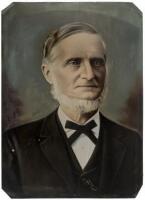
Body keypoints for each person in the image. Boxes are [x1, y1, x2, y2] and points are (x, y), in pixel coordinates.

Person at [2, 22, 142, 198]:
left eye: (97, 62)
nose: (90, 74)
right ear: (48, 73)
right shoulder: (14, 144)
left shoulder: (133, 143)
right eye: (75, 62)